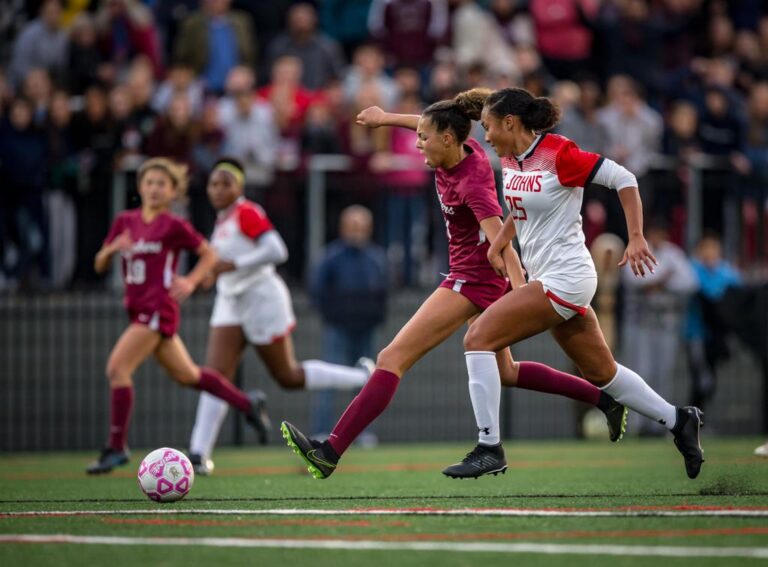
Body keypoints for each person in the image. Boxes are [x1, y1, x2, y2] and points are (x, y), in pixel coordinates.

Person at [281, 90, 628, 480]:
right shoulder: (457, 145)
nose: (417, 144)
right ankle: (603, 398)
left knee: (391, 359)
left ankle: (330, 451)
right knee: (507, 373)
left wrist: (521, 289)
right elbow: (426, 122)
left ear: (448, 139)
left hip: (472, 281)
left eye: (423, 139)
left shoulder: (473, 183)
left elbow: (504, 242)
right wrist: (385, 117)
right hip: (473, 278)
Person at [450, 87, 704, 479]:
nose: (485, 136)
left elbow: (624, 178)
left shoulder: (560, 153)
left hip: (567, 277)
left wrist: (636, 236)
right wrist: (498, 244)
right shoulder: (510, 156)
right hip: (550, 278)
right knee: (603, 373)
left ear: (510, 123)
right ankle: (678, 419)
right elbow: (520, 211)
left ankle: (489, 447)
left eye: (487, 127)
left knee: (477, 338)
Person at [187, 158, 373, 475]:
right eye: (213, 184)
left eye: (226, 183)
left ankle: (362, 377)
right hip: (231, 300)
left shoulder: (247, 211)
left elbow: (277, 250)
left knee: (287, 376)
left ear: (240, 187)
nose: (218, 190)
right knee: (215, 377)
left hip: (261, 298)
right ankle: (198, 454)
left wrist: (234, 265)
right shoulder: (222, 220)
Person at [86, 157, 269, 474]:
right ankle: (247, 403)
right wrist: (111, 250)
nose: (154, 189)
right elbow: (99, 265)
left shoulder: (172, 225)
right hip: (138, 310)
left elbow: (209, 254)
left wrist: (191, 281)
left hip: (157, 309)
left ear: (174, 192)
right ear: (140, 186)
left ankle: (116, 447)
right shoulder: (125, 221)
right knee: (189, 376)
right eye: (149, 182)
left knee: (117, 368)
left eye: (162, 184)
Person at [309, 205, 389, 437]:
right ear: (343, 228)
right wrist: (331, 314)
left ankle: (362, 433)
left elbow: (385, 290)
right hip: (338, 327)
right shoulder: (331, 257)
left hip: (366, 327)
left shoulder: (376, 258)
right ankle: (322, 432)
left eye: (361, 226)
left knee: (367, 384)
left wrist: (375, 316)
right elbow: (317, 289)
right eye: (352, 225)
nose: (356, 231)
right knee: (329, 381)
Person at [621, 221, 698, 436]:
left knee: (663, 373)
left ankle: (660, 426)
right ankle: (636, 426)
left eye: (659, 232)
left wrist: (657, 283)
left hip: (667, 325)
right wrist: (665, 277)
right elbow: (634, 280)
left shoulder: (674, 254)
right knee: (639, 373)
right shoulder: (635, 250)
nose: (656, 235)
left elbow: (690, 283)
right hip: (638, 324)